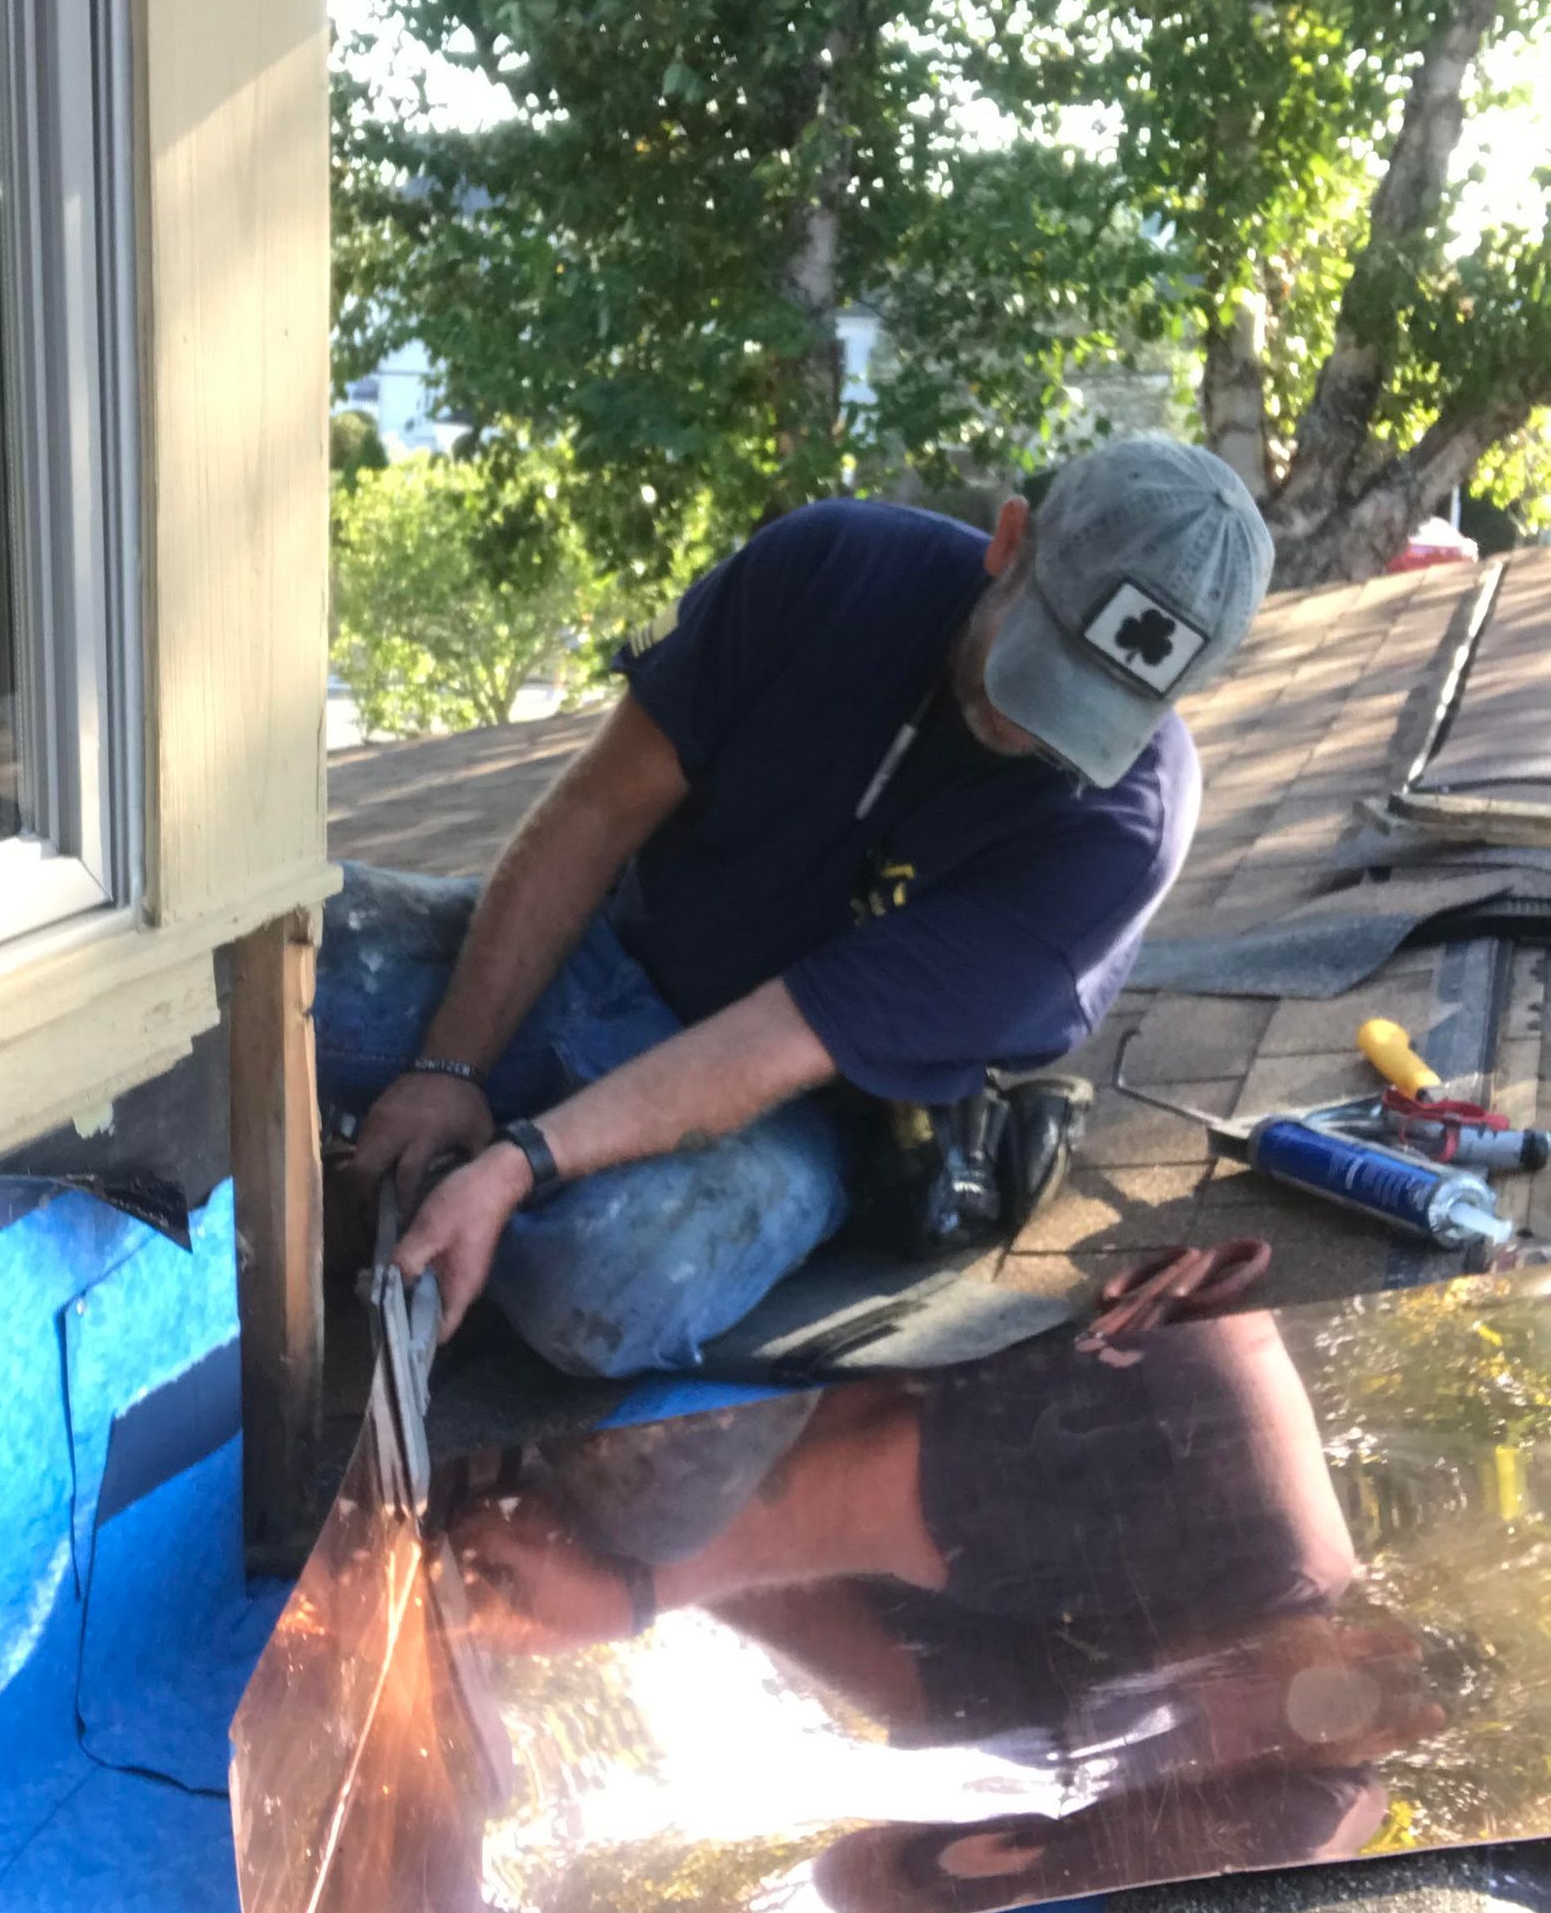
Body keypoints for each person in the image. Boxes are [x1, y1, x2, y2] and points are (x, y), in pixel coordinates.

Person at [315, 436, 1273, 1378]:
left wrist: (519, 1162)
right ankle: (454, 1184)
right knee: (286, 950)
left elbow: (770, 1044)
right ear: (1008, 541)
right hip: (608, 960)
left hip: (797, 1108)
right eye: (1037, 664)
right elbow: (599, 810)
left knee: (609, 1285)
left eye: (1089, 711)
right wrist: (450, 1063)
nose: (1031, 727)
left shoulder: (1115, 838)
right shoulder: (831, 565)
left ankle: (462, 1204)